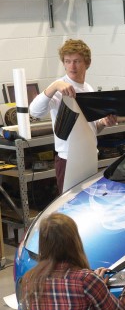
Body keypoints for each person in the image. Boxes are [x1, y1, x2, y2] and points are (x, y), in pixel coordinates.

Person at [29, 39, 117, 194]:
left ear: (87, 63)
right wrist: (54, 86)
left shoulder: (88, 88)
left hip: (89, 156)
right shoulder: (60, 87)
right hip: (69, 159)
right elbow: (35, 112)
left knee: (85, 204)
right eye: (67, 61)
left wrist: (103, 122)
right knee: (68, 205)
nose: (72, 66)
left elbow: (90, 130)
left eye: (76, 61)